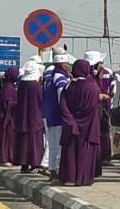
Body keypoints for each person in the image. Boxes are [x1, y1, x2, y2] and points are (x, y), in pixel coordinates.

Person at [57, 60, 101, 186]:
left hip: (71, 126)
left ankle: (69, 177)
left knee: (70, 152)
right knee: (84, 153)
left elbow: (63, 105)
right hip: (88, 127)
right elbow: (93, 107)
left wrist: (71, 121)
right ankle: (81, 179)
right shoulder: (91, 87)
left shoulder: (68, 86)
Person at [42, 52, 71, 181]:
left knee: (52, 145)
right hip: (59, 117)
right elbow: (61, 96)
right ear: (61, 64)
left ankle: (52, 169)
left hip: (50, 117)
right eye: (66, 63)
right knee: (59, 145)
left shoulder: (49, 78)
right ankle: (58, 171)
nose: (67, 66)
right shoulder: (60, 78)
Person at [13, 61, 44, 173]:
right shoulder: (36, 87)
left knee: (23, 142)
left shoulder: (21, 85)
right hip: (35, 117)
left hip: (22, 117)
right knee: (34, 141)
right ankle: (35, 163)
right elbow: (41, 101)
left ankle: (24, 164)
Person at [84, 51, 114, 167]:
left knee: (104, 132)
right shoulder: (88, 78)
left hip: (102, 109)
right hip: (92, 112)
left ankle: (103, 157)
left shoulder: (100, 76)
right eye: (100, 63)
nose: (102, 65)